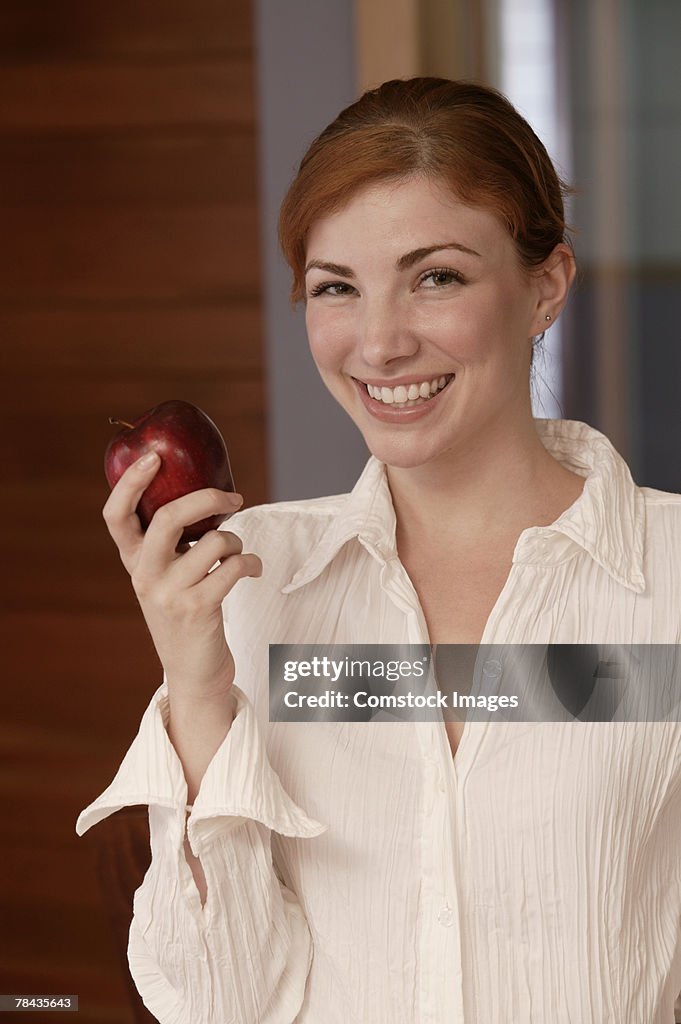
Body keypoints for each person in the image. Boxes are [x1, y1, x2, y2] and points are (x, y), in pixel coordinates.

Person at [76, 78, 681, 1023]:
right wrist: (196, 686)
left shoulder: (667, 582)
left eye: (435, 276)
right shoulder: (253, 584)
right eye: (335, 288)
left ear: (545, 286)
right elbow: (217, 1002)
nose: (379, 341)